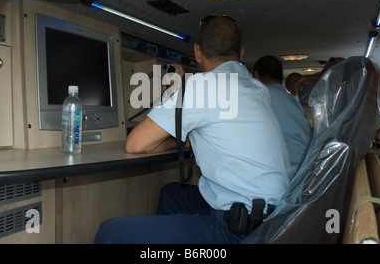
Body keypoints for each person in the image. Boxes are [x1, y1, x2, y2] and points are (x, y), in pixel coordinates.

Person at [94, 15, 293, 244]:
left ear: (197, 52)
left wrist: (177, 92)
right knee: (172, 194)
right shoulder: (258, 89)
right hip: (275, 221)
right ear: (241, 54)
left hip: (238, 232)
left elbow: (135, 144)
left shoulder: (199, 86)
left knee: (110, 233)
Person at [253, 55, 312, 171]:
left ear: (256, 75)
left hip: (289, 168)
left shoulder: (261, 99)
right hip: (307, 164)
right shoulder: (292, 100)